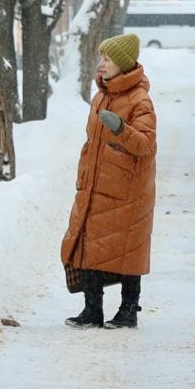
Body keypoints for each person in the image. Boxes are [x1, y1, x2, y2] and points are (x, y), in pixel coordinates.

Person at [61, 33, 158, 329]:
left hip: (127, 189)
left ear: (123, 63)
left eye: (107, 58)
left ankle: (128, 310)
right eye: (101, 57)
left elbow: (145, 144)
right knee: (90, 244)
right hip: (95, 184)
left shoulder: (140, 100)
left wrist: (120, 128)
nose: (101, 63)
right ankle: (93, 309)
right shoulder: (101, 95)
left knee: (128, 247)